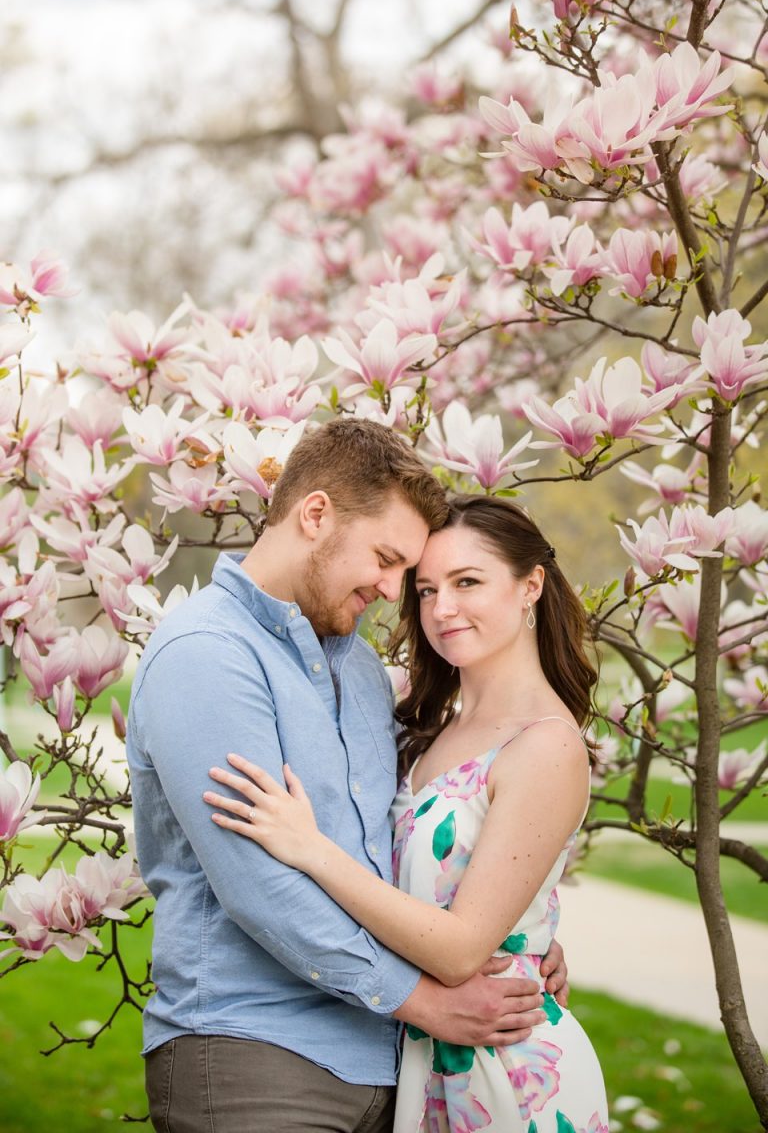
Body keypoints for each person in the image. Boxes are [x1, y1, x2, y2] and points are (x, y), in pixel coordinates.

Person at [126, 421, 569, 1133]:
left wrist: (518, 930)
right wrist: (426, 1001)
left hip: (389, 1065)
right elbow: (258, 887)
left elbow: (406, 840)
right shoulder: (208, 655)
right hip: (256, 1055)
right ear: (316, 515)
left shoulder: (358, 669)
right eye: (390, 560)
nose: (397, 592)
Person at [204, 493, 609, 1133]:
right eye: (425, 590)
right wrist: (534, 935)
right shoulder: (427, 728)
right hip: (422, 1056)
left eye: (467, 582)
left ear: (530, 585)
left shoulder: (546, 744)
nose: (441, 609)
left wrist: (311, 849)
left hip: (507, 1073)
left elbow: (458, 952)